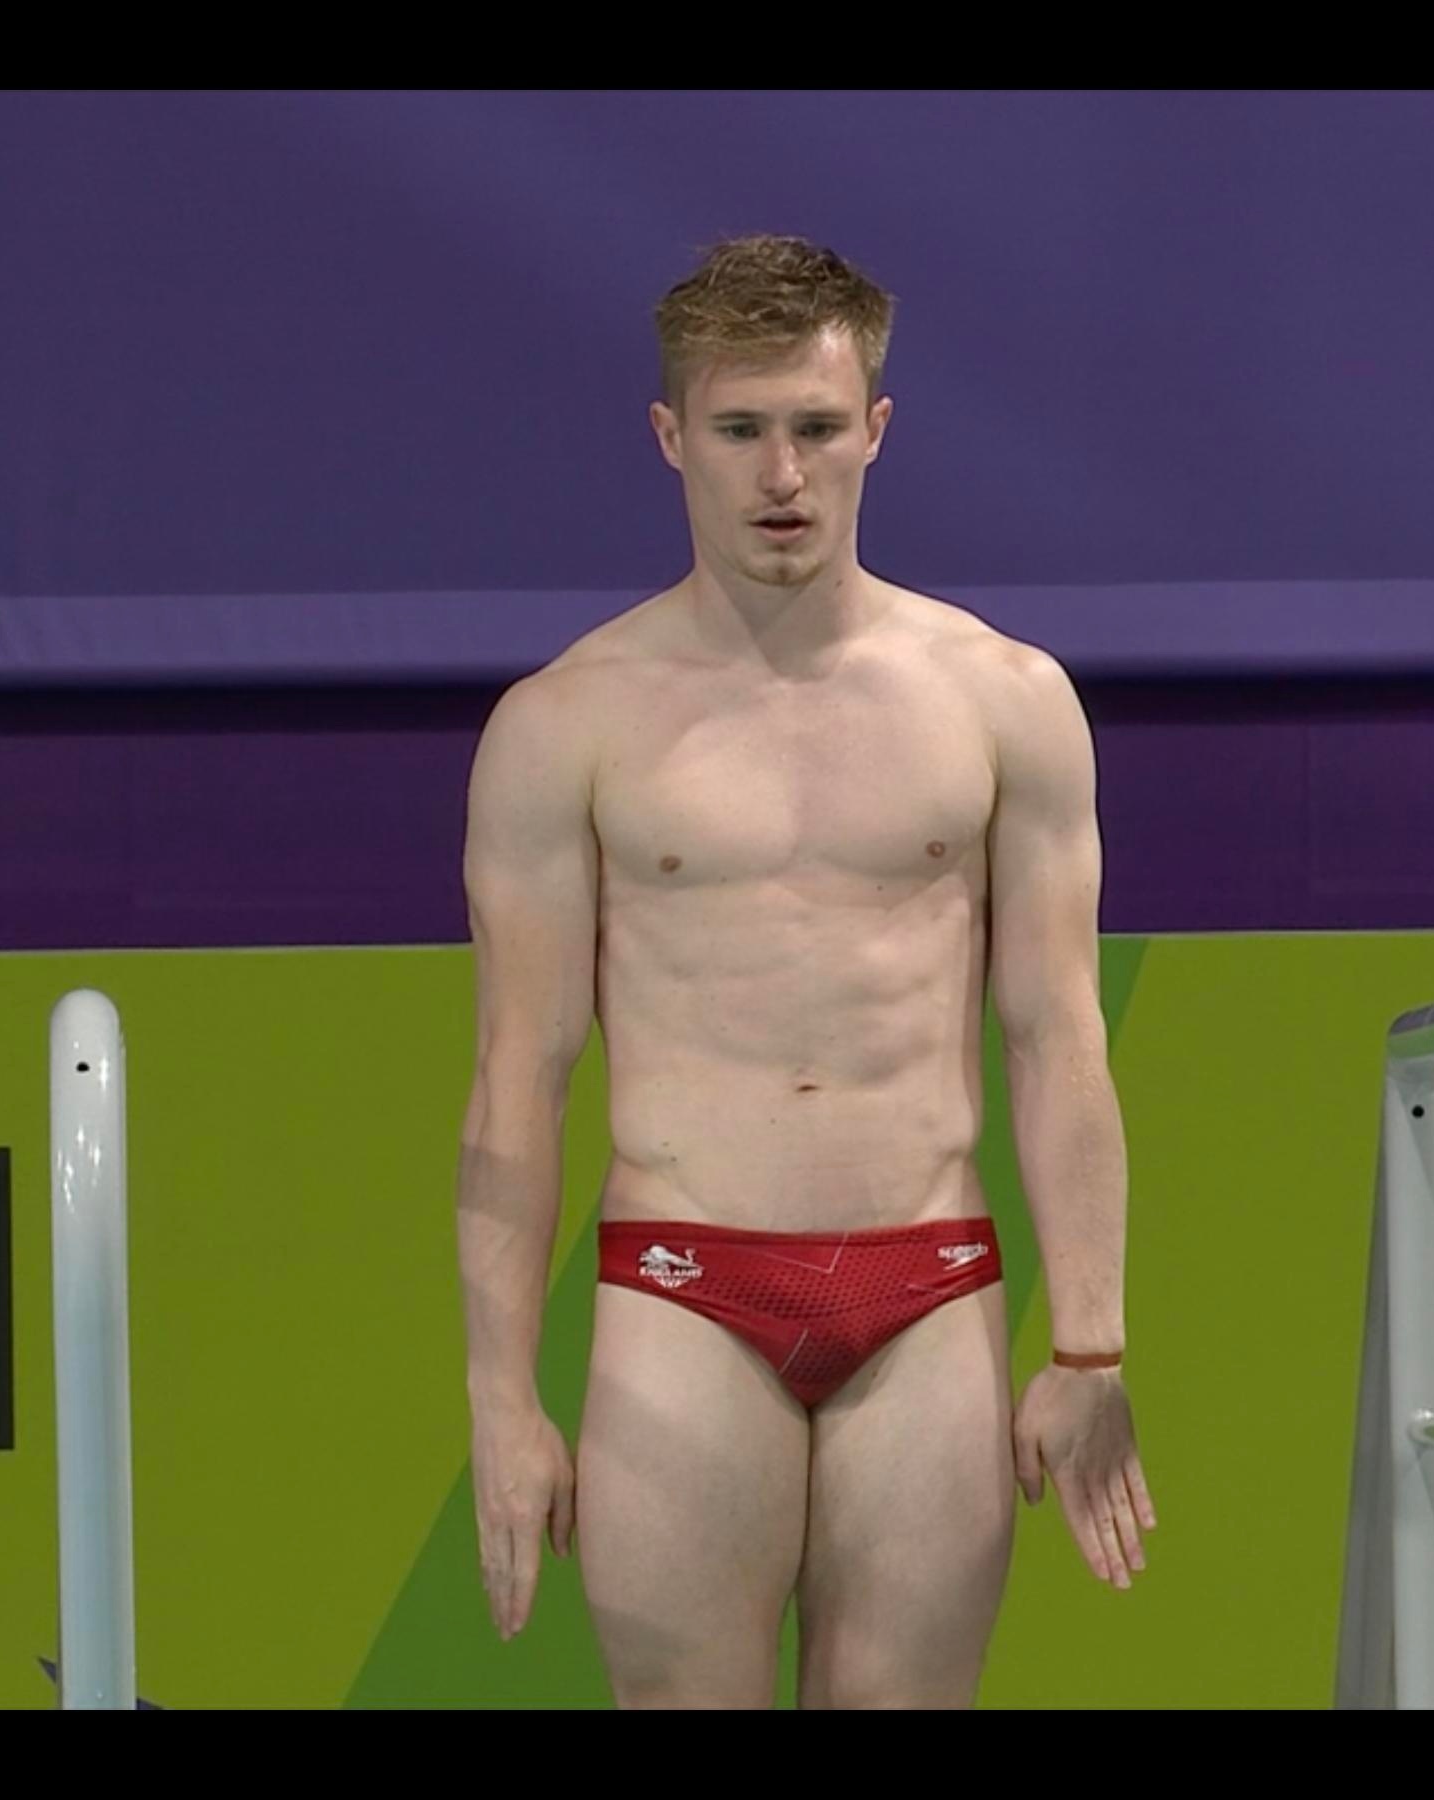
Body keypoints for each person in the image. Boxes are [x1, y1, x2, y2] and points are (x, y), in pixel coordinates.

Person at [455, 235, 1152, 1709]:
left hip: (928, 1282)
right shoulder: (563, 725)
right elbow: (520, 1077)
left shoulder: (1007, 701)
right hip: (684, 1287)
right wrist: (499, 1399)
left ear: (876, 430)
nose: (782, 475)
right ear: (671, 437)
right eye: (741, 430)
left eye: (818, 428)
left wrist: (1090, 1344)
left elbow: (1057, 1035)